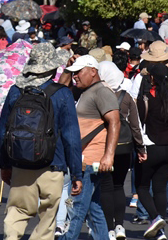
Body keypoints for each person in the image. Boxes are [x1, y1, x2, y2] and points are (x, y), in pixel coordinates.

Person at [0, 43, 82, 240]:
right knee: (47, 218)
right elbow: (71, 136)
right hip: (53, 164)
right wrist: (76, 172)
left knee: (17, 211)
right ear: (52, 68)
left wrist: (5, 165)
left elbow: (3, 132)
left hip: (21, 164)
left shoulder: (16, 91)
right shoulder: (62, 93)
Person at [59, 55, 120, 240]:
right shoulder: (86, 91)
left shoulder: (101, 91)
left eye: (79, 72)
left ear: (93, 71)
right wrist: (68, 68)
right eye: (74, 73)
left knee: (76, 208)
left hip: (90, 160)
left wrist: (109, 156)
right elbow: (60, 90)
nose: (75, 76)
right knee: (94, 209)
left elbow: (115, 121)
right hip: (86, 159)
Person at [134, 63, 168, 239]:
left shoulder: (145, 100)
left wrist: (138, 148)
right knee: (160, 188)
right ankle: (160, 231)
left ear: (151, 78)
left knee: (142, 186)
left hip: (151, 147)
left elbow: (137, 125)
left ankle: (156, 218)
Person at [97, 61, 145, 240]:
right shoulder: (126, 97)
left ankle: (109, 228)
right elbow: (135, 125)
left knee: (105, 187)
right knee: (118, 186)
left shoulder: (97, 96)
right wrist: (140, 147)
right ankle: (119, 226)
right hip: (125, 147)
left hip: (104, 147)